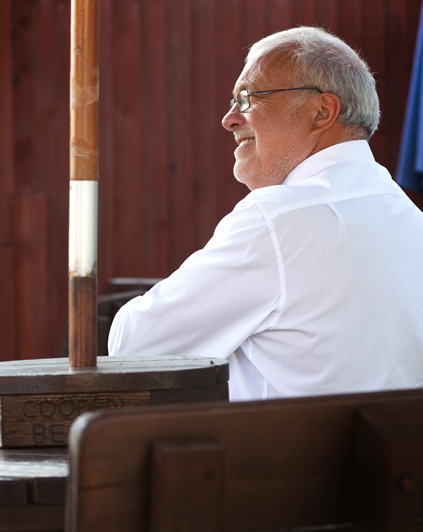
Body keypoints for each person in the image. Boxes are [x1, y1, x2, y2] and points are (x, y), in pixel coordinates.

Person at [108, 27, 423, 401]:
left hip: (289, 459)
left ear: (322, 111)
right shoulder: (406, 214)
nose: (229, 118)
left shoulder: (276, 221)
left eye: (247, 97)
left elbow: (133, 347)